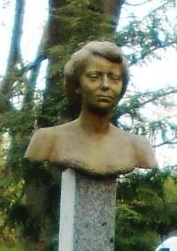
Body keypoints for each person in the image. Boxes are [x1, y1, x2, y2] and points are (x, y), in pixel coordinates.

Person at [24, 39, 157, 178]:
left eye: (114, 78)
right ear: (77, 84)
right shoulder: (47, 140)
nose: (105, 85)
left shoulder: (139, 147)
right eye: (95, 76)